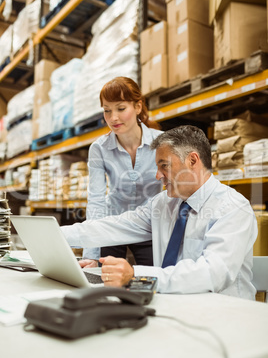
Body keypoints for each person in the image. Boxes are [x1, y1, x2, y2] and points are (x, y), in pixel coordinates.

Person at [61, 125, 258, 300]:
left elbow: (212, 274)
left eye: (164, 165)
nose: (158, 175)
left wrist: (135, 274)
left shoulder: (232, 208)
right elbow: (113, 226)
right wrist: (54, 235)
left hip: (224, 316)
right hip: (172, 307)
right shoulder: (164, 204)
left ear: (192, 160)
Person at [82, 76, 163, 267]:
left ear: (138, 107)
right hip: (113, 223)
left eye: (120, 108)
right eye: (107, 111)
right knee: (104, 277)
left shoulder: (162, 142)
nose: (113, 118)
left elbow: (175, 192)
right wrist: (91, 254)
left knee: (154, 279)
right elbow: (96, 199)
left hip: (148, 224)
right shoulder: (99, 148)